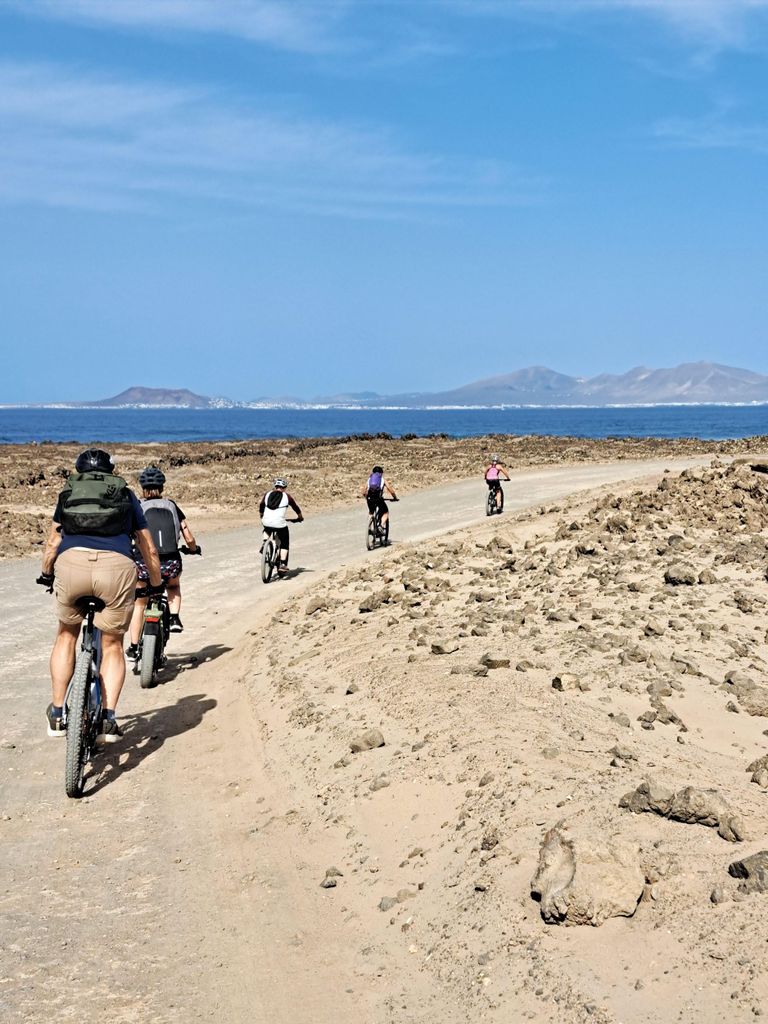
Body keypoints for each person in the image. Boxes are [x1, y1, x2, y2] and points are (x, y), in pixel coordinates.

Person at [36, 448, 162, 742]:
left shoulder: (68, 492)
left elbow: (54, 542)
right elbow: (147, 547)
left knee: (67, 634)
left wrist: (46, 572)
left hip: (72, 565)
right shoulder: (126, 495)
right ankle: (108, 718)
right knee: (113, 644)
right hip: (116, 570)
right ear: (111, 471)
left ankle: (57, 713)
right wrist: (155, 583)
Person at [127, 466, 200, 656]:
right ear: (162, 487)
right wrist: (193, 549)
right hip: (170, 561)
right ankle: (175, 618)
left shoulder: (138, 506)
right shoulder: (172, 505)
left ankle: (134, 646)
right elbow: (188, 536)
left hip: (143, 562)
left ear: (142, 487)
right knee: (173, 587)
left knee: (140, 603)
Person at [259, 478, 303, 576]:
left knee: (267, 528)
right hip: (279, 523)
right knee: (284, 541)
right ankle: (283, 564)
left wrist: (262, 516)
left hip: (266, 521)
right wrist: (300, 517)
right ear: (284, 488)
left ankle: (265, 543)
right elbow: (295, 507)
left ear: (275, 487)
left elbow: (261, 506)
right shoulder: (287, 496)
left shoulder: (267, 494)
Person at [361, 465, 398, 539]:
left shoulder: (369, 479)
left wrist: (366, 497)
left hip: (369, 498)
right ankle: (380, 526)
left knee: (371, 512)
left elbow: (364, 490)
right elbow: (390, 489)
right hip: (378, 498)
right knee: (385, 512)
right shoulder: (382, 479)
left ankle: (369, 525)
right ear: (381, 473)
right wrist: (395, 497)